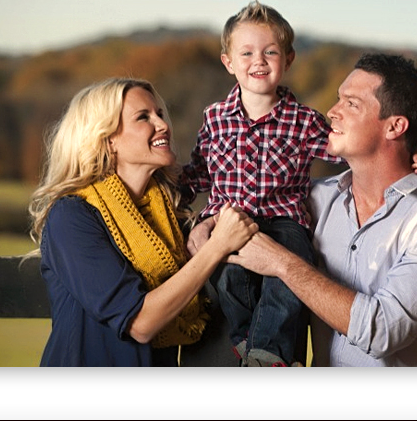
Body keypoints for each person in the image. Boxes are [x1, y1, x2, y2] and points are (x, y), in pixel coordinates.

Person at [181, 0, 417, 367]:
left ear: (289, 58)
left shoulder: (302, 120)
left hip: (284, 221)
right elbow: (200, 170)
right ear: (228, 62)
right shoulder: (215, 118)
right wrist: (175, 194)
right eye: (246, 52)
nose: (259, 61)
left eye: (270, 51)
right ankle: (244, 341)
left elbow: (354, 148)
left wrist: (412, 152)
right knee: (229, 278)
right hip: (228, 220)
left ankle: (268, 354)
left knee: (289, 275)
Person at [206, 52, 417, 367]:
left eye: (352, 104)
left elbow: (381, 331)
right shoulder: (318, 201)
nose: (332, 112)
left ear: (395, 127)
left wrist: (281, 263)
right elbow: (251, 203)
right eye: (338, 100)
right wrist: (205, 225)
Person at [28, 77, 258, 367]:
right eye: (143, 117)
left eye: (160, 114)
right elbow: (140, 323)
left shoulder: (171, 214)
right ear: (107, 139)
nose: (163, 125)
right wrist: (218, 247)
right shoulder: (73, 216)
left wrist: (209, 225)